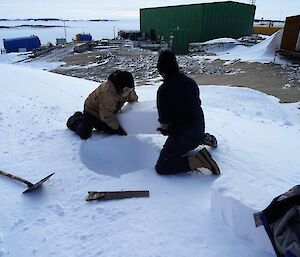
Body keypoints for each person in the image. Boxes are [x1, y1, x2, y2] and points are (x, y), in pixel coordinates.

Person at [155, 49, 220, 175]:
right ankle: (202, 138)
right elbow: (194, 105)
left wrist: (165, 129)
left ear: (161, 70)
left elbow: (164, 123)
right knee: (190, 133)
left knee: (162, 166)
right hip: (199, 126)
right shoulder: (190, 82)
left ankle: (200, 160)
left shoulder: (163, 90)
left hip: (184, 136)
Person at [66, 70, 138, 139]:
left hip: (106, 110)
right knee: (85, 134)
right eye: (126, 90)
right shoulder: (108, 93)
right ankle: (75, 119)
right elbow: (106, 115)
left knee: (109, 129)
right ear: (120, 86)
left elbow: (133, 99)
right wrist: (117, 129)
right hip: (92, 109)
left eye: (131, 90)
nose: (128, 92)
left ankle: (97, 124)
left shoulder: (127, 90)